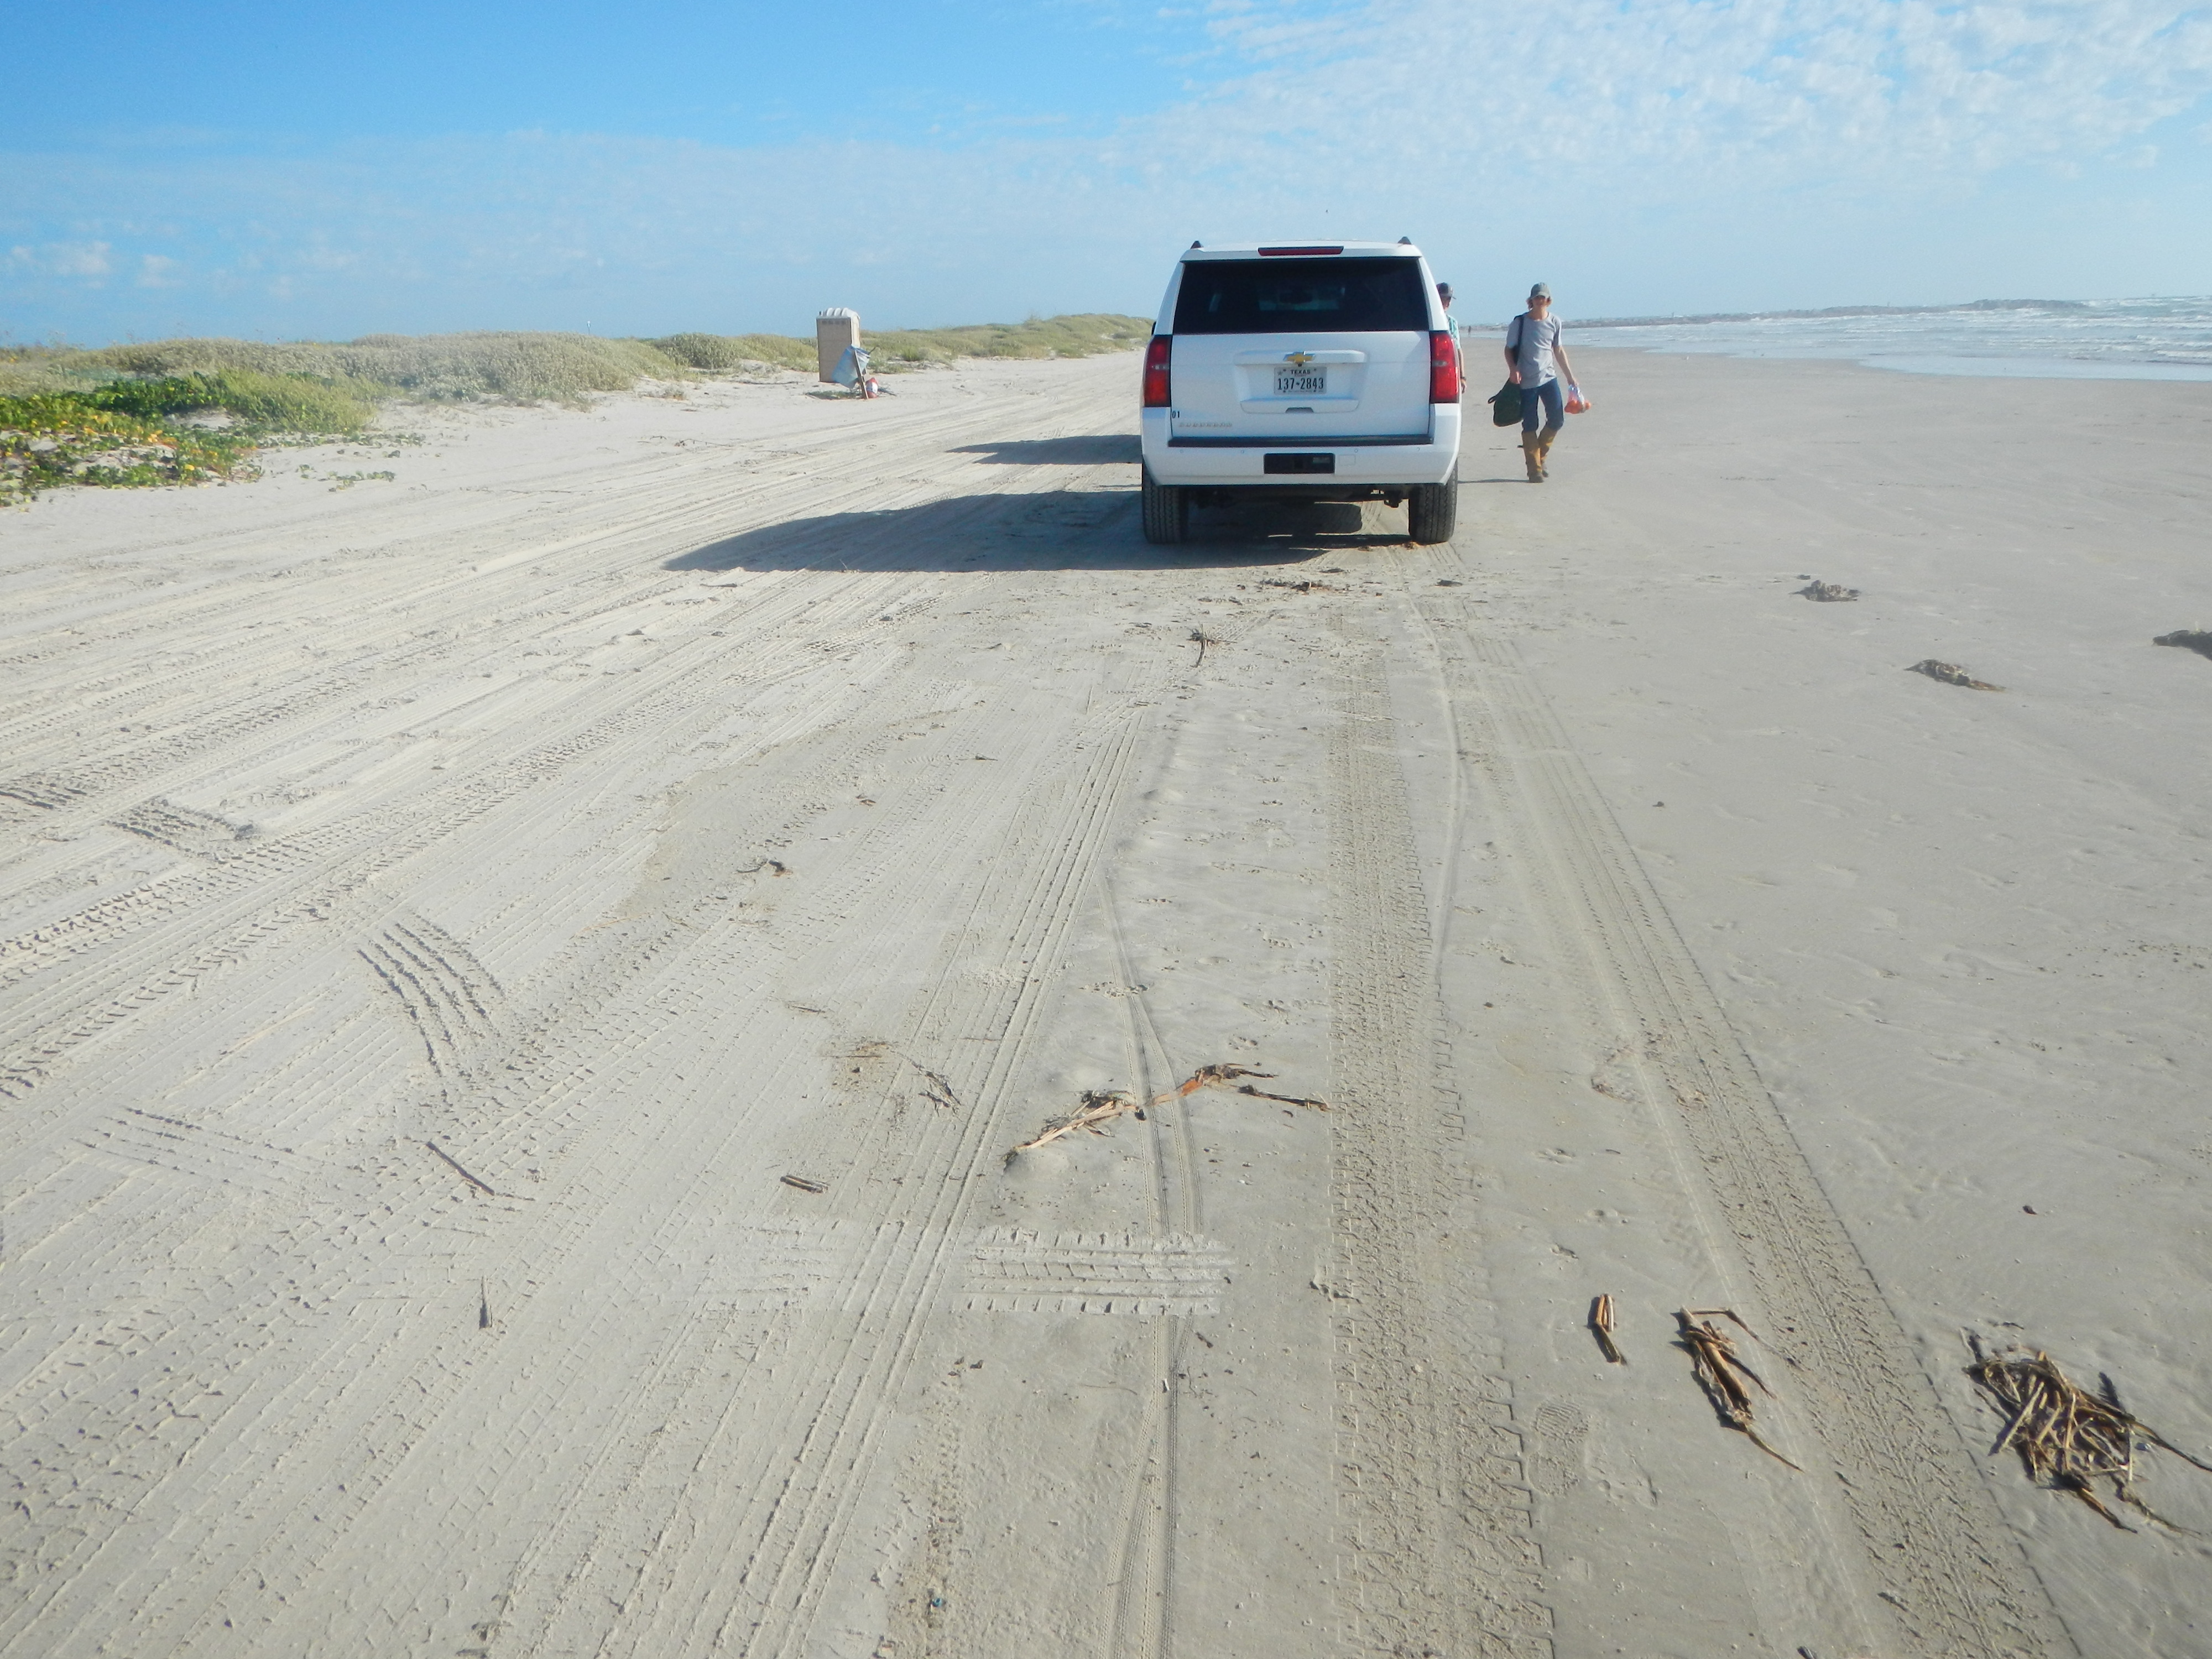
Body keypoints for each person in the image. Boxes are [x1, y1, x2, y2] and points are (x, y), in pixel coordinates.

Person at [1504, 283, 1579, 482]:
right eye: (1536, 297)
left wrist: (1570, 377)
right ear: (1531, 301)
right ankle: (1534, 469)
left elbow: (1559, 350)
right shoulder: (1519, 323)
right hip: (1527, 380)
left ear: (1548, 301)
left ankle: (1540, 457)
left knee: (1557, 419)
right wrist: (1513, 369)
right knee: (1531, 424)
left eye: (1543, 298)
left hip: (1549, 378)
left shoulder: (1555, 322)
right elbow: (1508, 349)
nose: (1540, 301)